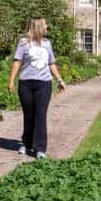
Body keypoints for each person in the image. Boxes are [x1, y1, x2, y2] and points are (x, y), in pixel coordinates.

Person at [8, 18, 67, 159]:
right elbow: (17, 62)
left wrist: (60, 80)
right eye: (45, 24)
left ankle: (40, 148)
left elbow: (51, 63)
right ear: (39, 27)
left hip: (44, 84)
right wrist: (11, 81)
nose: (47, 26)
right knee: (28, 115)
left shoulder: (47, 44)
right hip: (26, 83)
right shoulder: (23, 43)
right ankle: (26, 143)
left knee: (40, 115)